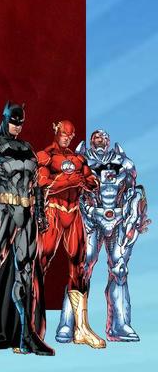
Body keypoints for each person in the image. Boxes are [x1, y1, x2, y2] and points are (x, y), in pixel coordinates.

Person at [0, 102, 52, 355]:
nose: (17, 126)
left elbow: (36, 184)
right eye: (13, 121)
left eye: (20, 123)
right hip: (2, 211)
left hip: (26, 214)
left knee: (26, 273)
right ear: (5, 118)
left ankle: (27, 336)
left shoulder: (27, 148)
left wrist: (40, 213)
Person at [80, 129, 149, 342]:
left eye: (104, 138)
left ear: (109, 141)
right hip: (91, 217)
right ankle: (72, 323)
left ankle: (119, 325)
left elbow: (134, 192)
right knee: (82, 266)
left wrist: (136, 217)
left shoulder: (123, 162)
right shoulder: (81, 160)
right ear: (91, 141)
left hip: (118, 218)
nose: (100, 140)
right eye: (96, 137)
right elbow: (74, 191)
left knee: (119, 269)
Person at [37, 119, 101, 347]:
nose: (67, 138)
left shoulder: (78, 159)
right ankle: (33, 330)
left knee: (79, 268)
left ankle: (81, 328)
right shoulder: (45, 156)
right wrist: (68, 181)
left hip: (74, 213)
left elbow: (92, 182)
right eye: (64, 134)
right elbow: (42, 183)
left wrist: (83, 181)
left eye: (70, 136)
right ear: (56, 131)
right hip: (53, 211)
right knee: (40, 263)